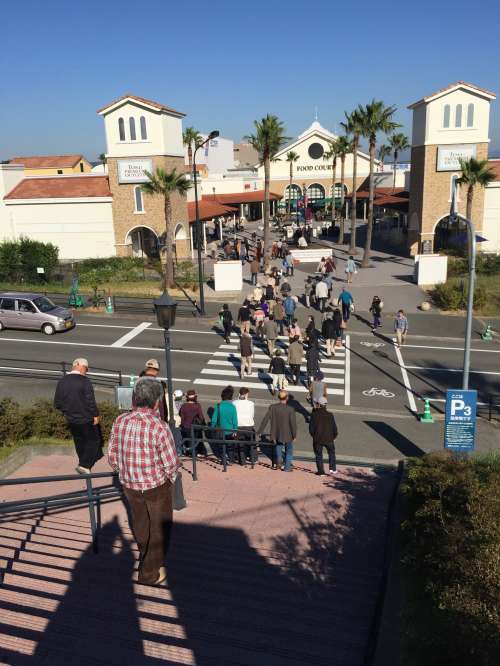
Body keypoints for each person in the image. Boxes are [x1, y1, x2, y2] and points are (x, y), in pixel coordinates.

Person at [108, 378, 180, 586]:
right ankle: (149, 573)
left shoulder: (120, 421)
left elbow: (112, 456)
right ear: (157, 402)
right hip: (156, 486)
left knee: (140, 523)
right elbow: (171, 464)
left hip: (129, 484)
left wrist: (124, 471)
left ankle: (145, 555)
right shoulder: (160, 427)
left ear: (134, 398)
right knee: (159, 529)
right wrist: (170, 479)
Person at [54, 358, 102, 475]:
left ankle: (83, 461)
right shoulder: (85, 381)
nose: (86, 371)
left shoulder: (62, 381)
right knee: (94, 441)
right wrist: (95, 415)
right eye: (86, 369)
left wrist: (67, 411)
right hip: (86, 418)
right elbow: (90, 401)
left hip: (71, 418)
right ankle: (84, 465)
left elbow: (57, 403)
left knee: (79, 441)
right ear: (80, 366)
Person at [257, 390, 297, 472]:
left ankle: (278, 463)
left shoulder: (273, 407)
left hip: (276, 432)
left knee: (278, 446)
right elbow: (293, 424)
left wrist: (260, 431)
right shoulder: (290, 409)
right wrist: (294, 435)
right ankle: (287, 467)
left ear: (279, 397)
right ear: (287, 398)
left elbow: (265, 419)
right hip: (288, 433)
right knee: (289, 450)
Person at [309, 396, 339, 476]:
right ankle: (333, 469)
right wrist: (334, 437)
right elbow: (334, 428)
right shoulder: (330, 415)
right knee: (331, 453)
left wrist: (314, 436)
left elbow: (311, 429)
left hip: (318, 439)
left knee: (319, 455)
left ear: (319, 404)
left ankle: (321, 471)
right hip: (329, 439)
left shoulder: (314, 415)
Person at [211, 385, 238, 461]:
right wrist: (235, 430)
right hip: (230, 431)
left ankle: (224, 459)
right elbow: (235, 421)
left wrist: (212, 428)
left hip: (220, 431)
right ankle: (231, 459)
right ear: (231, 397)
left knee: (222, 446)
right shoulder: (232, 407)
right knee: (230, 446)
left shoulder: (218, 406)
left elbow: (214, 420)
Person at [233, 387, 256, 464]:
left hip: (238, 426)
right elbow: (252, 415)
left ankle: (242, 460)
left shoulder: (234, 403)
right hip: (249, 425)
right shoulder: (251, 403)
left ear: (239, 394)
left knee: (240, 443)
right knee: (251, 443)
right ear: (246, 394)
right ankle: (253, 458)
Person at [179, 389, 206, 454]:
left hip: (186, 427)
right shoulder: (197, 406)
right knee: (196, 441)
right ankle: (196, 453)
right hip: (195, 427)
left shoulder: (184, 406)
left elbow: (182, 418)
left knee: (187, 442)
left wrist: (182, 425)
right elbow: (201, 417)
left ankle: (188, 453)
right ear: (195, 397)